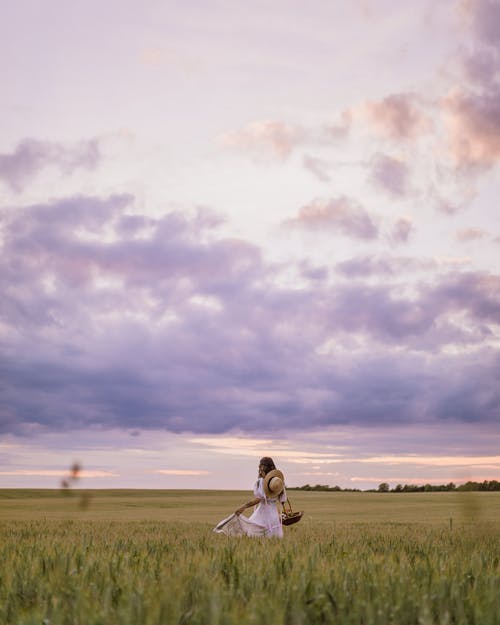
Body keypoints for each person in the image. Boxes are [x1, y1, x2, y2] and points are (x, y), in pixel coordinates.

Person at [234, 456, 287, 538]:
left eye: (261, 465)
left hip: (263, 514)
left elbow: (259, 499)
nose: (259, 467)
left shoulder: (262, 481)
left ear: (264, 467)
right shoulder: (278, 481)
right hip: (274, 516)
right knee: (273, 538)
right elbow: (282, 500)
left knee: (251, 534)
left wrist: (244, 507)